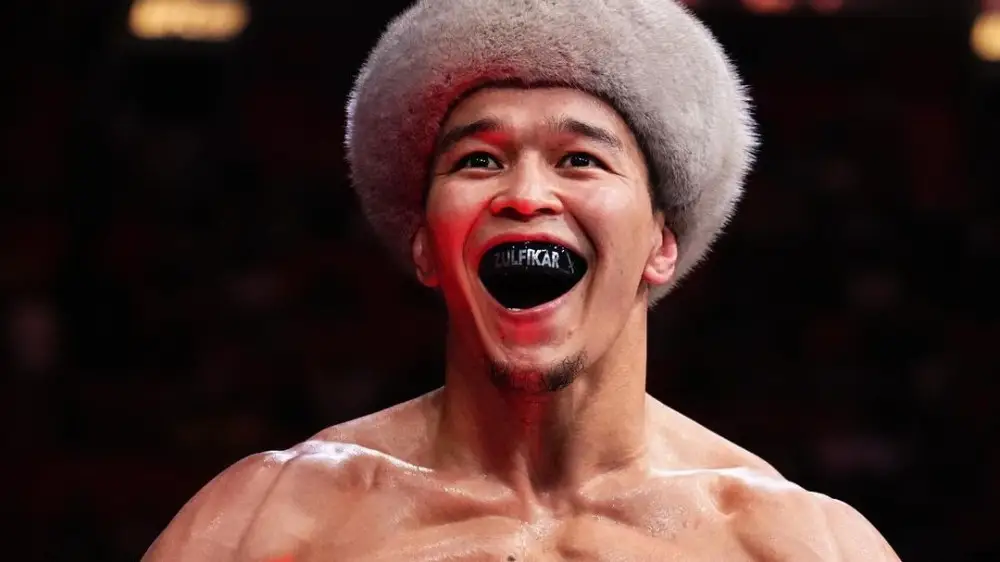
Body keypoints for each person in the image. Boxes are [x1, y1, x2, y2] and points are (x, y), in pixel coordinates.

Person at [143, 0, 901, 560]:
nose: (526, 195)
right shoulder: (264, 525)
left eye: (580, 159)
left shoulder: (791, 544)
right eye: (479, 160)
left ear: (660, 244)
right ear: (424, 246)